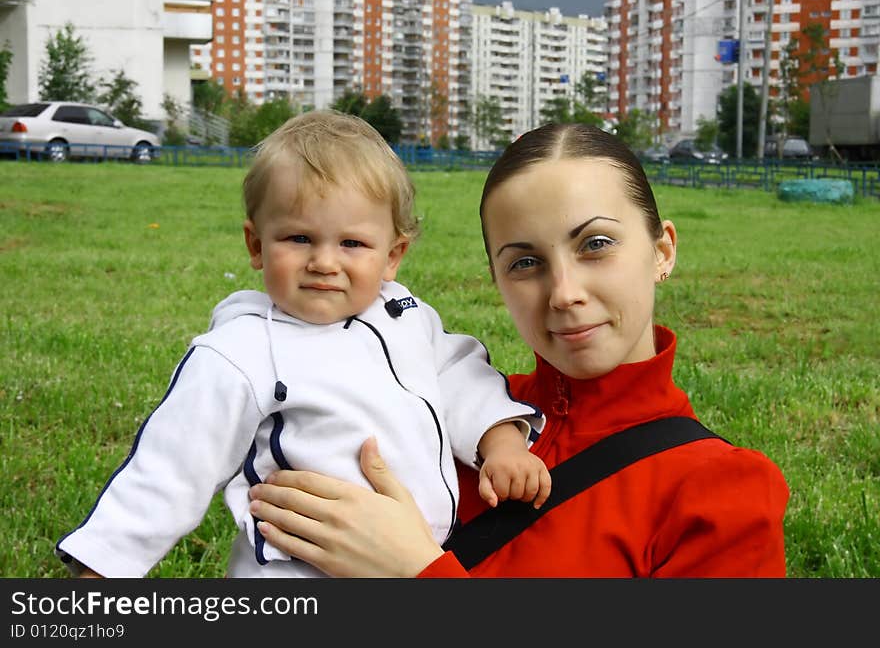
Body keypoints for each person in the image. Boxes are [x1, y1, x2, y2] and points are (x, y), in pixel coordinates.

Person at [246, 122, 791, 577]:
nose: (564, 293)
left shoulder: (721, 493)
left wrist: (418, 574)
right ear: (497, 280)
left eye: (596, 245)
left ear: (661, 250)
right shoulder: (436, 418)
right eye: (525, 263)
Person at [55, 110, 549, 578]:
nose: (324, 262)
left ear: (393, 255)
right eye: (298, 238)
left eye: (351, 244)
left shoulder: (405, 315)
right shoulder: (241, 350)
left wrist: (501, 443)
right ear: (256, 245)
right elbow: (169, 467)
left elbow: (460, 377)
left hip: (413, 558)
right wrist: (104, 567)